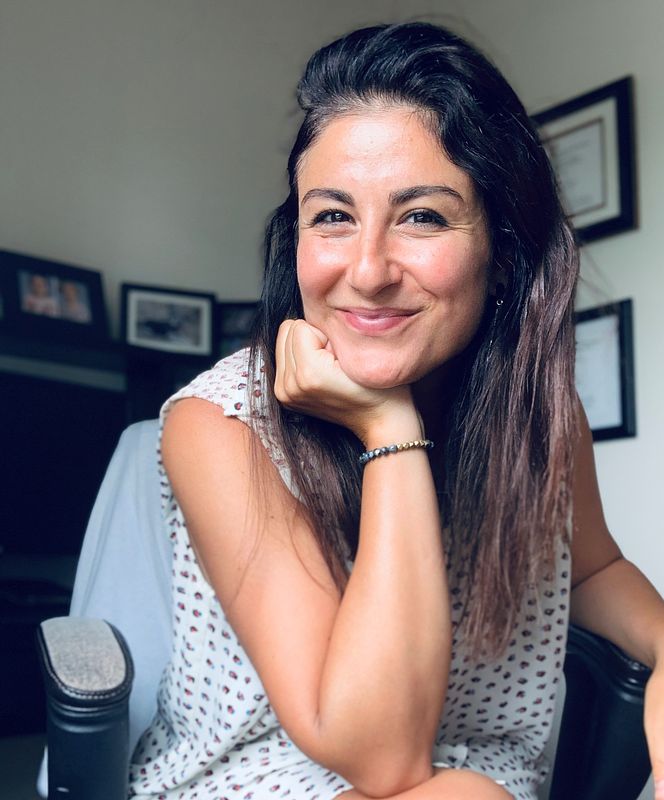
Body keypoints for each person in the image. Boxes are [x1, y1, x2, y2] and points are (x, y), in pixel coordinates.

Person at [128, 22, 664, 800]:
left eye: (422, 217)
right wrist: (389, 428)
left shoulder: (538, 413)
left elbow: (592, 569)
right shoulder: (220, 423)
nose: (369, 269)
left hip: (475, 773)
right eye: (333, 216)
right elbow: (379, 759)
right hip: (261, 775)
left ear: (503, 252)